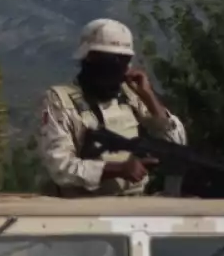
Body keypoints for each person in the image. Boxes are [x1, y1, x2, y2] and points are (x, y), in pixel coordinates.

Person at [37, 18, 186, 196]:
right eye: (109, 59)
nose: (116, 66)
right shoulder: (60, 101)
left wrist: (149, 96)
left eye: (123, 60)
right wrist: (117, 169)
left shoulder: (131, 95)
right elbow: (60, 168)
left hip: (136, 205)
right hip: (82, 211)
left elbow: (176, 144)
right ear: (89, 57)